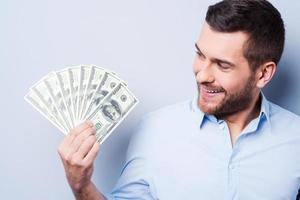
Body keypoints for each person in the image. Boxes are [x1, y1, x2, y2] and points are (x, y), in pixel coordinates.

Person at [58, 0, 300, 199]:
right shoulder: (155, 129)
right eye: (200, 54)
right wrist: (81, 186)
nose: (202, 74)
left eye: (222, 65)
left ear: (263, 73)